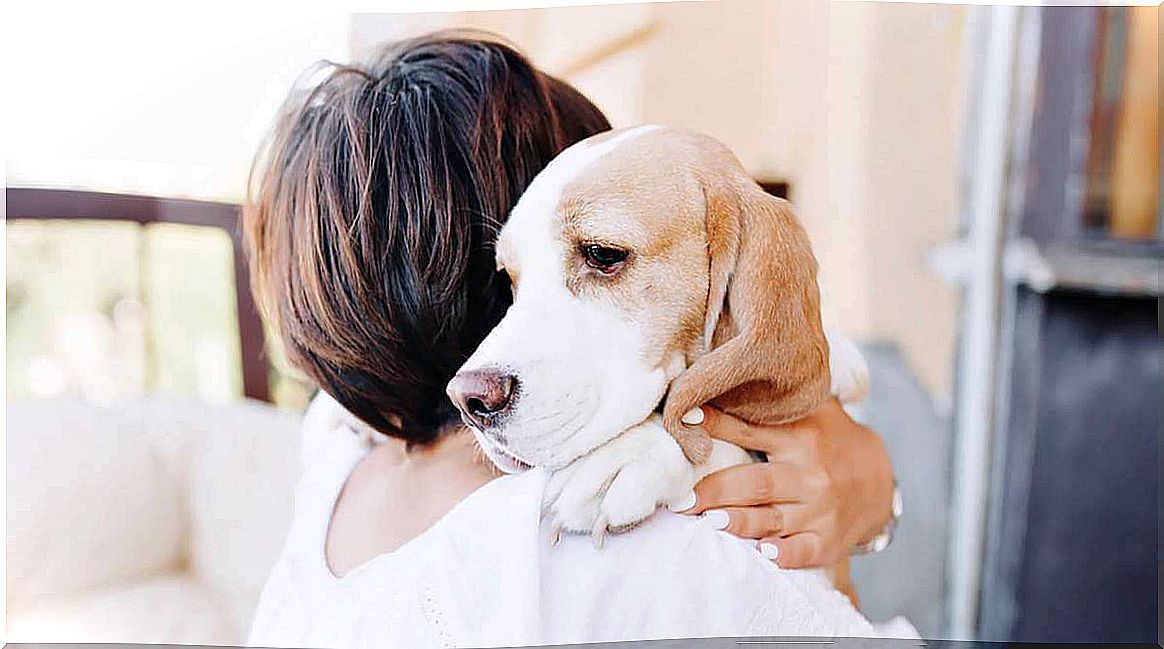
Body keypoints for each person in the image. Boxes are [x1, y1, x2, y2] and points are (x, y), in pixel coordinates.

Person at [243, 31, 903, 648]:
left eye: (600, 256)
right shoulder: (647, 550)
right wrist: (871, 493)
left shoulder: (336, 440)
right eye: (519, 278)